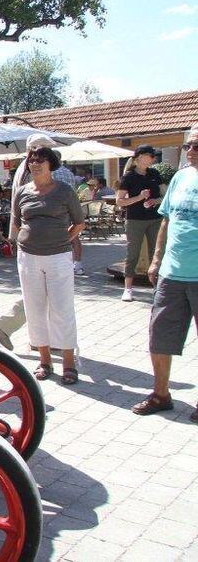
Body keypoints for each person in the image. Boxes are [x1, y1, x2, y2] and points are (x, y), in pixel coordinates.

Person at [131, 126, 198, 422]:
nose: (190, 151)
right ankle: (161, 394)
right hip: (172, 273)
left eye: (196, 145)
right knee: (159, 336)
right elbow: (166, 222)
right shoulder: (181, 178)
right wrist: (156, 260)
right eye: (188, 146)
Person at [11, 145, 85, 385]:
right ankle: (44, 361)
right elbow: (15, 223)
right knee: (34, 309)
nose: (35, 164)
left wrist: (64, 240)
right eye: (31, 160)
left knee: (62, 310)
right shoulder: (22, 192)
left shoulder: (64, 191)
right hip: (28, 257)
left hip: (58, 257)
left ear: (50, 164)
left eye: (40, 160)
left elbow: (79, 223)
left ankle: (69, 364)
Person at [116, 144, 163, 302]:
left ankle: (157, 289)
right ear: (140, 157)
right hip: (135, 220)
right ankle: (128, 289)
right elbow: (120, 202)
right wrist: (139, 197)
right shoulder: (128, 177)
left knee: (155, 253)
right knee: (133, 255)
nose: (154, 158)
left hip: (155, 219)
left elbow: (165, 196)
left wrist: (155, 201)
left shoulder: (155, 173)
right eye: (151, 155)